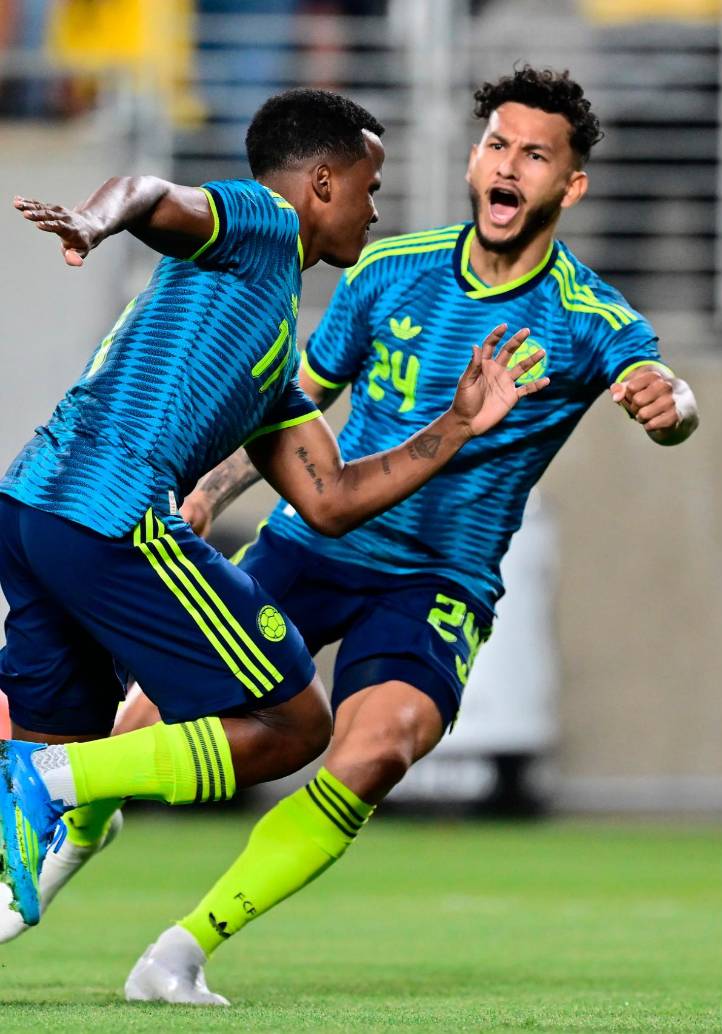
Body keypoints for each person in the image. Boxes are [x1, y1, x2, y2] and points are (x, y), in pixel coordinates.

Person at [11, 66, 699, 1004]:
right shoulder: (382, 269)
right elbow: (294, 405)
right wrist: (209, 489)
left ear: (568, 186)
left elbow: (663, 388)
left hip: (436, 583)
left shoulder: (588, 318)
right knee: (147, 723)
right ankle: (54, 832)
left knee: (372, 752)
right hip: (306, 547)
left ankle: (179, 950)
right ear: (475, 157)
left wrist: (671, 407)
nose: (508, 167)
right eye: (498, 144)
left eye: (535, 156)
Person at [0, 87, 546, 942]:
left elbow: (329, 500)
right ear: (322, 183)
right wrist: (94, 219)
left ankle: (39, 781)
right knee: (295, 723)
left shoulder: (266, 346)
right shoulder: (261, 223)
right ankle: (48, 781)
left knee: (45, 753)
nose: (377, 209)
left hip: (30, 505)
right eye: (371, 185)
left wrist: (458, 425)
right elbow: (150, 193)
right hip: (109, 513)